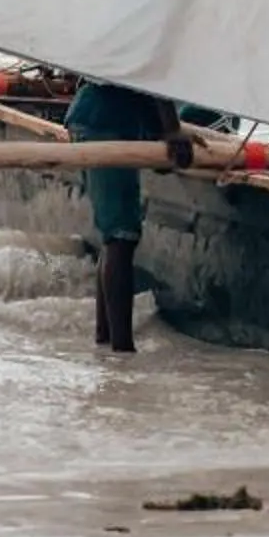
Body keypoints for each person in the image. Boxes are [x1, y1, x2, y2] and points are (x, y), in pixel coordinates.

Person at [64, 78, 187, 354]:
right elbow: (156, 76)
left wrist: (164, 132)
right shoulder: (157, 40)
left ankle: (106, 338)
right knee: (121, 235)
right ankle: (122, 349)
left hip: (101, 119)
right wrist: (172, 131)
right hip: (104, 121)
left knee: (116, 238)